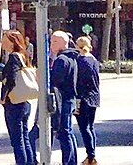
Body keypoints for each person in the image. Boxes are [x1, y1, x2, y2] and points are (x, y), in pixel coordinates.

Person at [0, 27, 37, 165]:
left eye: (4, 40)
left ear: (12, 41)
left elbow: (11, 80)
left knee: (17, 140)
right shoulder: (23, 56)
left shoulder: (14, 57)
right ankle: (30, 162)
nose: (2, 43)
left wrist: (3, 97)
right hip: (24, 102)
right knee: (24, 137)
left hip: (14, 102)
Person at [49, 31, 79, 165]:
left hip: (64, 99)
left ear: (63, 43)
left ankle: (68, 161)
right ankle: (71, 160)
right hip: (69, 98)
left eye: (55, 41)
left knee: (64, 132)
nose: (51, 44)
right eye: (51, 41)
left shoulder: (61, 59)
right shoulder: (71, 57)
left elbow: (56, 80)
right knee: (67, 131)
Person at [74, 36, 100, 162]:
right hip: (94, 95)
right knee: (90, 126)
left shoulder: (79, 61)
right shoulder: (94, 60)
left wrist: (77, 98)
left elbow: (79, 82)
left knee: (84, 127)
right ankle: (92, 153)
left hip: (83, 97)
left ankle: (91, 156)